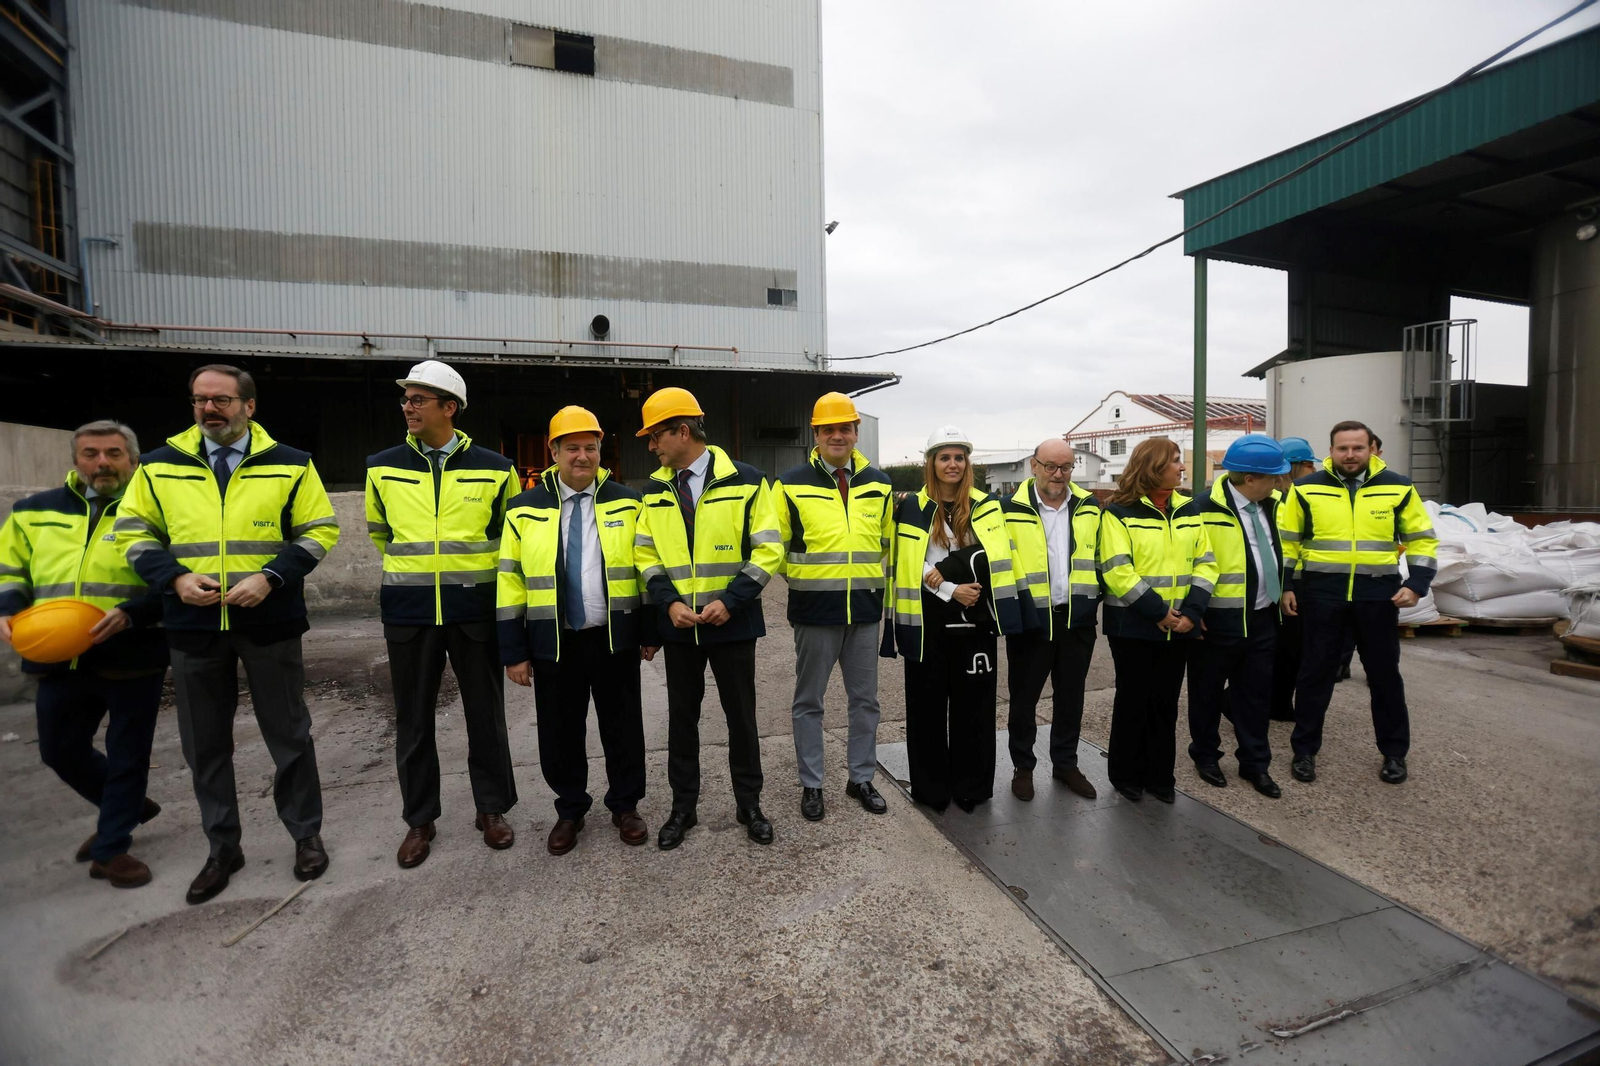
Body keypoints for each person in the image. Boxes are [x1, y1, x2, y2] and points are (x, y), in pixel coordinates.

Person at [118, 364, 340, 904]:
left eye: (220, 400)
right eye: (200, 400)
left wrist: (271, 578)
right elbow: (133, 532)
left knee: (289, 736)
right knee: (205, 745)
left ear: (249, 405)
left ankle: (305, 836)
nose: (209, 409)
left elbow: (319, 530)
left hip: (269, 621)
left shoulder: (291, 463)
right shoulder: (159, 466)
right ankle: (222, 848)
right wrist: (175, 578)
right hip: (192, 625)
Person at [366, 360, 520, 868]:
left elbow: (506, 540)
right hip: (409, 612)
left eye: (418, 400)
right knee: (412, 720)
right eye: (406, 399)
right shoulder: (382, 466)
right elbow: (381, 534)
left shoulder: (496, 468)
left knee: (486, 716)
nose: (407, 407)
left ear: (449, 407)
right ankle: (419, 819)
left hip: (474, 611)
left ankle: (491, 809)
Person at [0, 421, 167, 888]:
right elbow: (9, 569)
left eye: (113, 453)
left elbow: (177, 578)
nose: (102, 463)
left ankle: (112, 848)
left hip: (132, 649)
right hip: (56, 653)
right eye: (91, 454)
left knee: (128, 753)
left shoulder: (157, 510)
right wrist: (7, 608)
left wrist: (133, 612)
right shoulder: (34, 511)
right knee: (59, 750)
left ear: (133, 460)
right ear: (75, 460)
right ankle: (126, 806)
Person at [499, 406, 657, 854]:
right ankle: (570, 809)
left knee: (623, 727)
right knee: (559, 732)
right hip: (554, 641)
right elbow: (509, 581)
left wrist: (649, 632)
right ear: (553, 452)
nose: (582, 456)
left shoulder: (629, 502)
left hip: (613, 639)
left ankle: (625, 805)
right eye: (572, 448)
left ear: (601, 450)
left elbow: (645, 570)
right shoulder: (523, 509)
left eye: (590, 447)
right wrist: (514, 651)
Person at [633, 388, 784, 849]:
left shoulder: (747, 480)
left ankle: (749, 805)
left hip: (732, 624)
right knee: (682, 721)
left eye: (655, 436)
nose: (651, 446)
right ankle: (683, 808)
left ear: (682, 431)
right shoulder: (654, 490)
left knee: (741, 719)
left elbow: (768, 548)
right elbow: (645, 555)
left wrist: (731, 601)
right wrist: (668, 604)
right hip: (680, 628)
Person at [1279, 420, 1438, 785]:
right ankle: (1304, 751)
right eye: (1343, 448)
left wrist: (1417, 584)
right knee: (1315, 675)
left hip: (1377, 596)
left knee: (1384, 676)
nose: (1350, 455)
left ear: (1372, 450)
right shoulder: (1306, 488)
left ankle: (1394, 753)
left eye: (1357, 448)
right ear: (1330, 451)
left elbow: (1422, 539)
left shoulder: (1398, 487)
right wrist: (1287, 586)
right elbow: (1289, 542)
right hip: (1322, 595)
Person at [881, 426, 1022, 812]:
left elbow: (996, 554)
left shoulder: (986, 506)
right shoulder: (911, 507)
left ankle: (971, 787)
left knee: (974, 710)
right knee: (926, 709)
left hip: (976, 620)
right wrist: (948, 588)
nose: (953, 464)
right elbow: (908, 560)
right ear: (931, 463)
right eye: (944, 457)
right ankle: (932, 790)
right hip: (928, 618)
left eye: (959, 457)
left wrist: (958, 576)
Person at [772, 393, 894, 821]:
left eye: (845, 428)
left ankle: (861, 778)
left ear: (856, 433)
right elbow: (776, 547)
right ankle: (812, 784)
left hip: (864, 611)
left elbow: (884, 543)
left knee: (866, 702)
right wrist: (808, 583)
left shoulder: (879, 484)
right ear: (816, 434)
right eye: (829, 429)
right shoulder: (789, 483)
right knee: (810, 701)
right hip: (814, 613)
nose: (837, 436)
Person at [1098, 438, 1212, 804]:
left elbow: (1206, 563)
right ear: (1152, 466)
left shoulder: (1189, 509)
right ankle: (1126, 775)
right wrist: (1159, 613)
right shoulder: (1118, 512)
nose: (1182, 467)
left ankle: (1160, 776)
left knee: (1165, 703)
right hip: (1133, 626)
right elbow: (1117, 570)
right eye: (1175, 461)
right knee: (1133, 701)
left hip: (1179, 624)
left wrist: (1191, 613)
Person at [1185, 434, 1287, 799]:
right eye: (1273, 476)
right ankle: (1206, 756)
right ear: (1249, 479)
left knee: (1256, 696)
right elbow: (1185, 562)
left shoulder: (1274, 505)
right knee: (1206, 695)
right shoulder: (1201, 509)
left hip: (1262, 618)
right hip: (1216, 621)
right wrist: (1193, 611)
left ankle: (1255, 764)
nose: (1279, 482)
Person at [1000, 437, 1101, 802]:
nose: (1058, 474)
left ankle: (1065, 764)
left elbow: (1100, 556)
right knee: (1023, 700)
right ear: (1034, 466)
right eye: (1051, 467)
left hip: (1077, 619)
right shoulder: (1008, 509)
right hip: (1032, 621)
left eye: (1066, 467)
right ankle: (1023, 767)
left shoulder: (1090, 507)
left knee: (1071, 698)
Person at [1270, 436, 1319, 722]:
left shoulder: (1291, 498)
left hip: (1295, 582)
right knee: (1287, 649)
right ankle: (1242, 701)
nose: (1314, 469)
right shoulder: (1280, 501)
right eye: (1309, 464)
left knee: (1292, 649)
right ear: (1294, 466)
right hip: (1289, 584)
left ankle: (1279, 703)